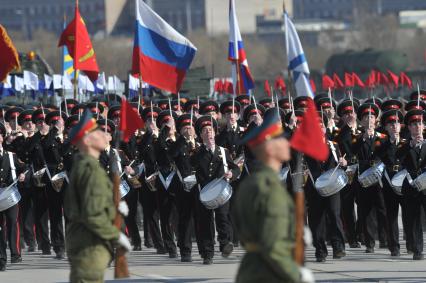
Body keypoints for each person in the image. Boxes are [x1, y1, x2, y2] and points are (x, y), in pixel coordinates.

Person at [233, 111, 313, 283]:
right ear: (269, 147)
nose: (287, 143)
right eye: (282, 139)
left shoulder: (251, 183)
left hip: (251, 269)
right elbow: (273, 248)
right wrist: (296, 274)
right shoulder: (270, 189)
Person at [64, 110, 131, 283]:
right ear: (87, 140)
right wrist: (116, 236)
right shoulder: (90, 171)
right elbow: (92, 215)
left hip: (89, 243)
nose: (104, 134)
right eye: (98, 132)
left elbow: (95, 203)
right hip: (90, 245)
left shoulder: (88, 166)